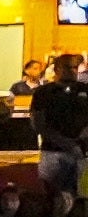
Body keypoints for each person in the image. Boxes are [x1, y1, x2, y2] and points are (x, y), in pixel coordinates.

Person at [31, 52, 88, 198]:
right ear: (57, 70)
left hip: (82, 152)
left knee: (82, 197)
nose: (73, 71)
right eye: (68, 68)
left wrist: (82, 137)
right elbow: (38, 124)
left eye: (75, 67)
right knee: (52, 196)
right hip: (52, 152)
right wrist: (65, 143)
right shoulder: (44, 92)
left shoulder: (85, 90)